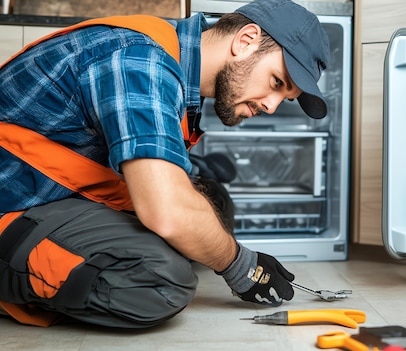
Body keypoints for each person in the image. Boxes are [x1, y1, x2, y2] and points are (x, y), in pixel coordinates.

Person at [0, 0, 330, 328]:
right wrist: (239, 264)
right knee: (161, 279)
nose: (271, 106)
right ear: (245, 41)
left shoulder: (175, 61)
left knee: (214, 205)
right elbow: (166, 210)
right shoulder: (140, 61)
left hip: (54, 195)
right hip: (14, 204)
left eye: (283, 98)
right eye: (276, 82)